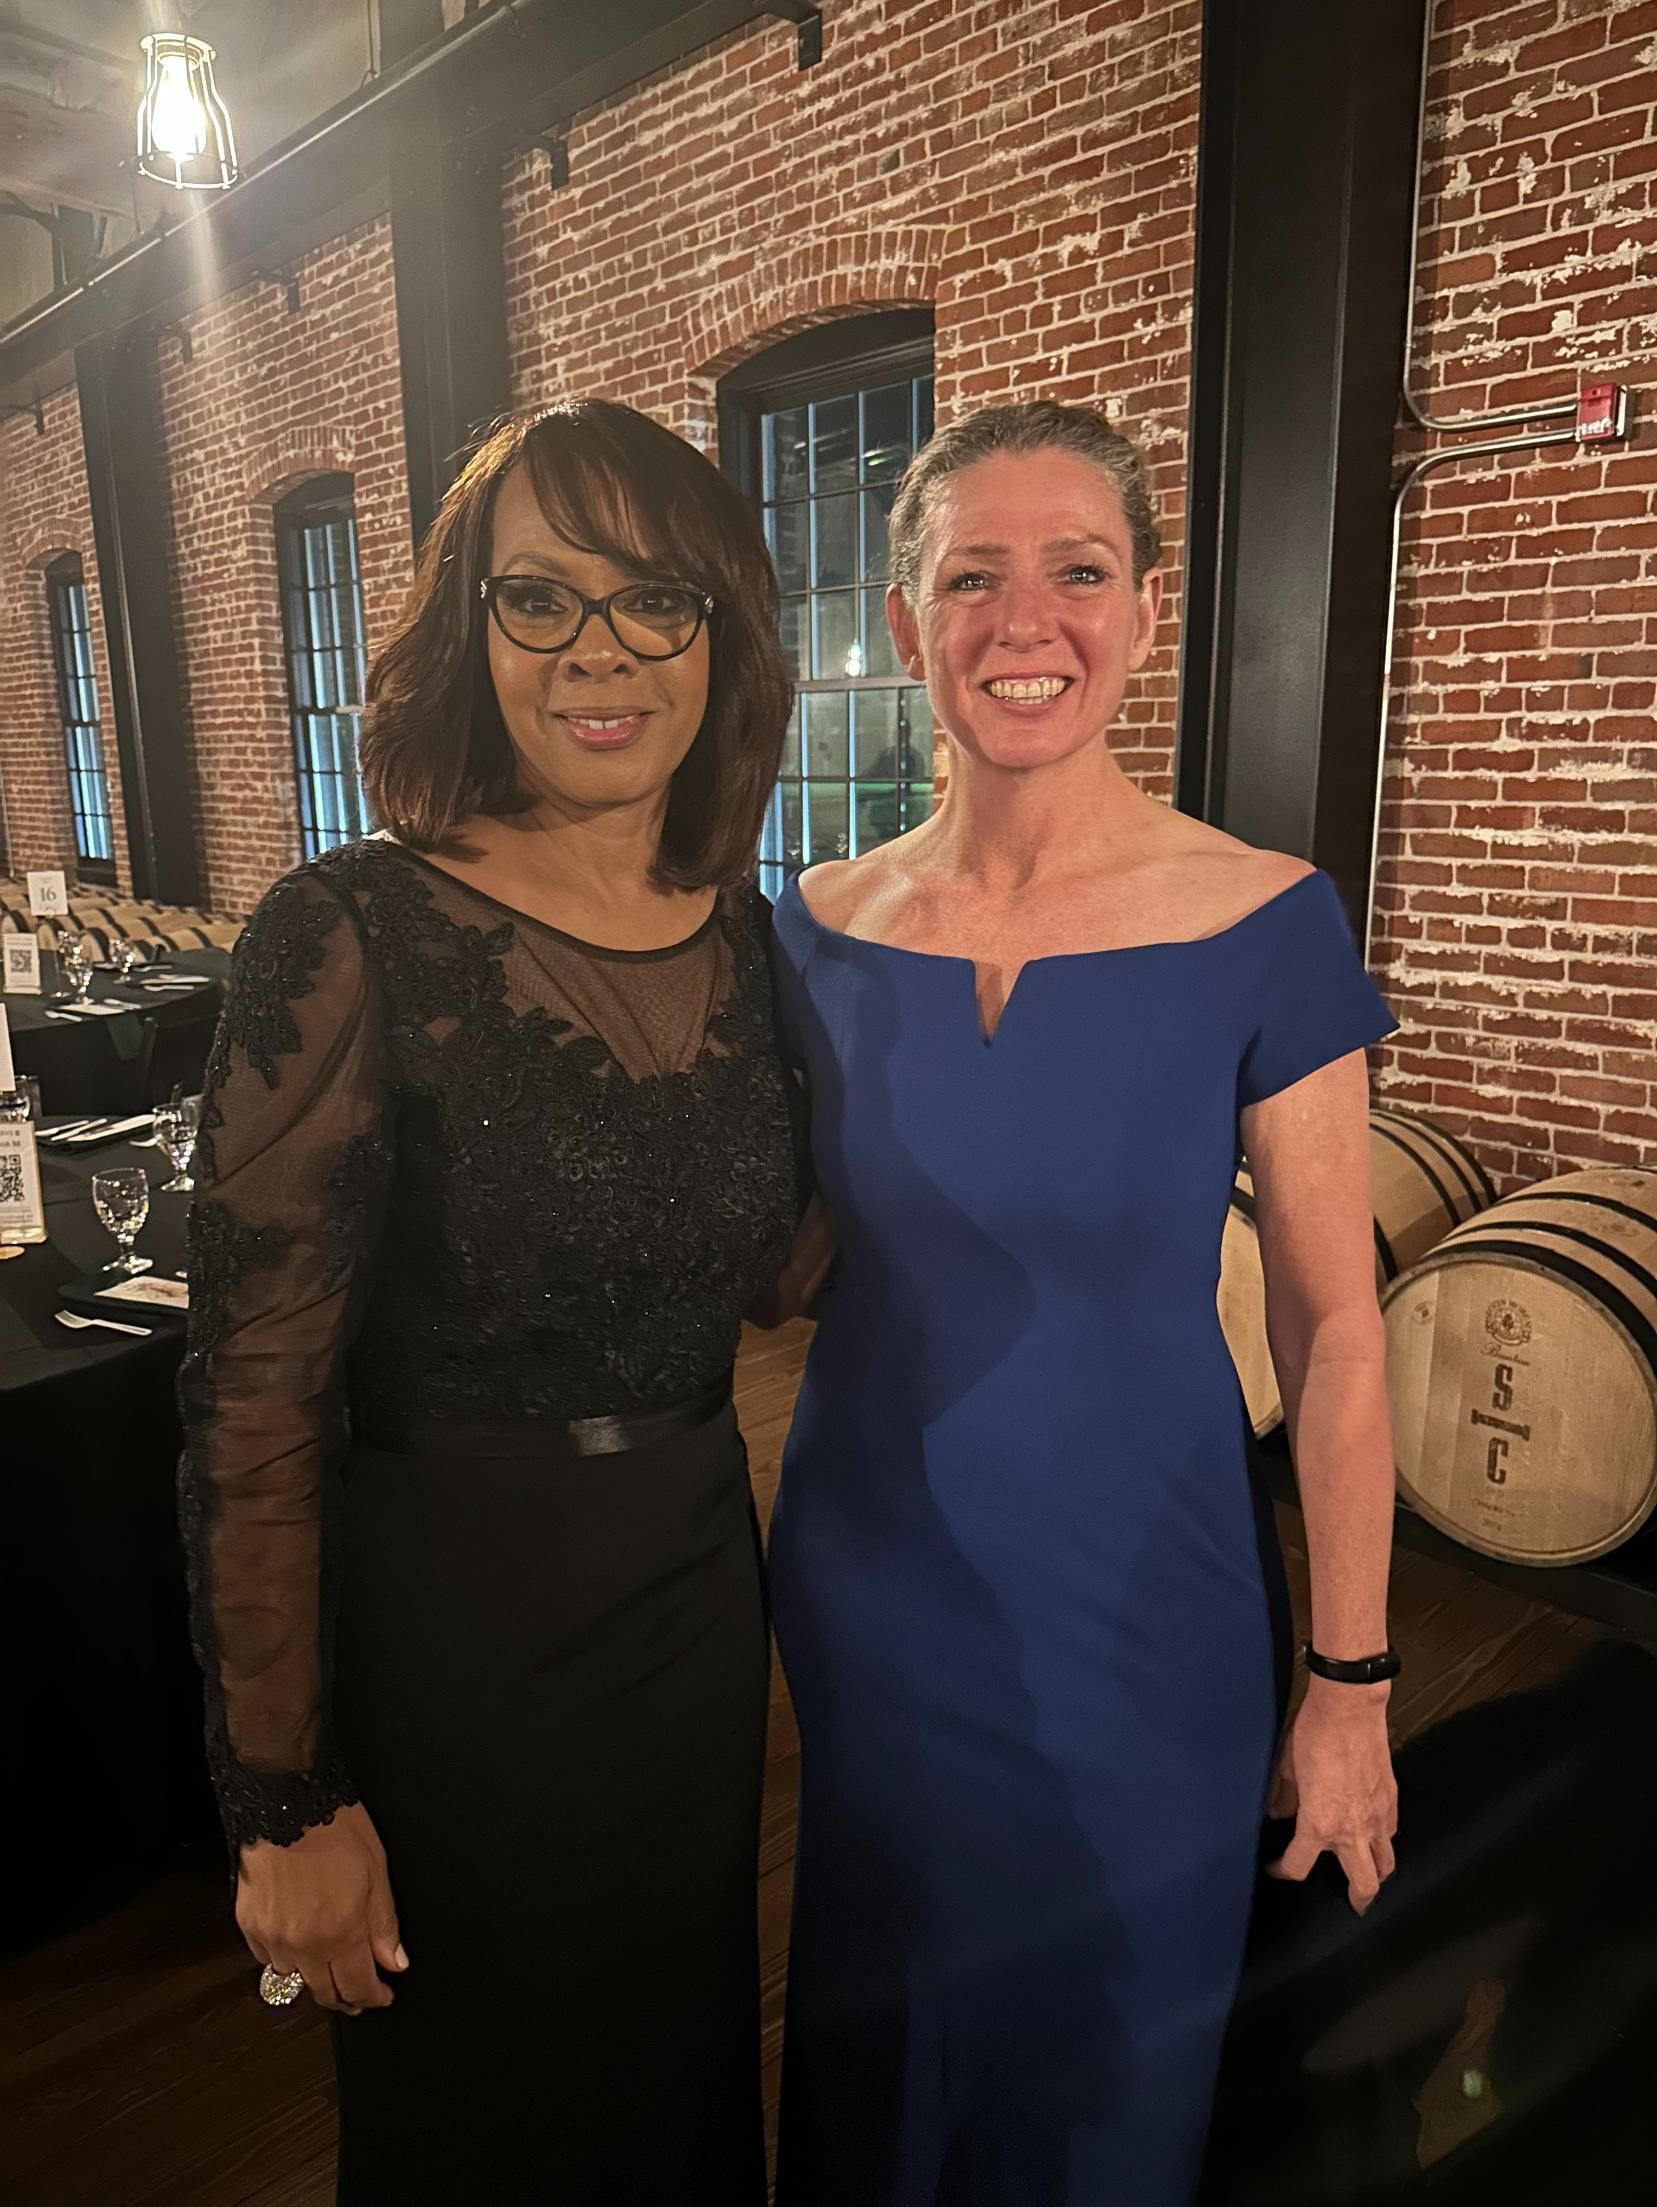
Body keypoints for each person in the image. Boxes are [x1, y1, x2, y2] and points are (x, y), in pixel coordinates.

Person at [766, 400, 1401, 2206]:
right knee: (883, 2061)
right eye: (971, 579)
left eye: (1075, 572)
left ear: (1139, 613)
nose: (1020, 622)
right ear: (903, 627)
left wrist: (1349, 1684)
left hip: (1147, 1602)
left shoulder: (1264, 919)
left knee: (1108, 2071)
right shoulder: (805, 928)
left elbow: (1333, 1331)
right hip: (873, 1595)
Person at [176, 400, 804, 2205]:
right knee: (487, 2123)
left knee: (674, 2084)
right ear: (469, 629)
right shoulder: (351, 927)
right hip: (454, 1640)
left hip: (692, 1599)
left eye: (655, 603)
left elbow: (781, 1265)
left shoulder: (748, 937)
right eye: (539, 600)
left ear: (720, 639)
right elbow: (254, 1393)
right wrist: (280, 1800)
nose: (599, 651)